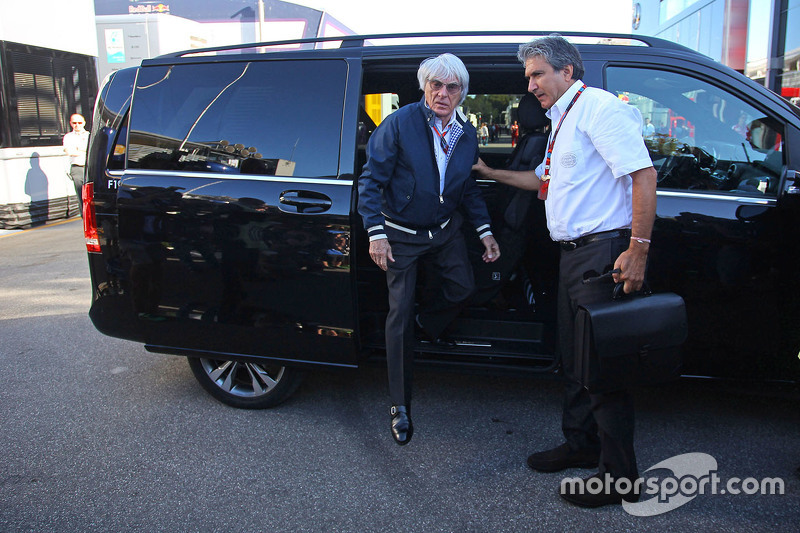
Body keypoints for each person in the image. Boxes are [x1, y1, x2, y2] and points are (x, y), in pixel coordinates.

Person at [472, 34, 657, 507]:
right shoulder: (563, 120)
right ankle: (581, 445)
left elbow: (642, 174)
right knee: (574, 361)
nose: (530, 84)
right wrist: (490, 173)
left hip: (603, 255)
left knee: (602, 369)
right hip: (574, 256)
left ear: (568, 70)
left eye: (537, 74)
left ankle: (619, 479)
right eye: (528, 76)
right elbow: (543, 182)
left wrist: (637, 250)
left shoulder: (597, 109)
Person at [358, 53, 500, 446]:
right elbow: (370, 182)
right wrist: (376, 233)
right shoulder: (399, 123)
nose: (442, 93)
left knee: (463, 288)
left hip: (444, 229)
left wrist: (485, 232)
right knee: (398, 313)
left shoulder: (466, 134)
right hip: (400, 232)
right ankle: (400, 406)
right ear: (425, 86)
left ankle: (427, 325)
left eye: (451, 87)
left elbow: (467, 189)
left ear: (461, 93)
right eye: (435, 85)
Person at [62, 113, 90, 216]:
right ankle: (85, 218)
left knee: (91, 194)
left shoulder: (89, 135)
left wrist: (78, 148)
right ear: (70, 123)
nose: (77, 125)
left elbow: (91, 151)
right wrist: (83, 149)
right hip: (77, 168)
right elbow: (70, 151)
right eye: (74, 123)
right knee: (81, 195)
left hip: (89, 168)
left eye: (79, 122)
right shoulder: (68, 137)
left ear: (84, 123)